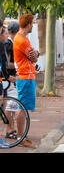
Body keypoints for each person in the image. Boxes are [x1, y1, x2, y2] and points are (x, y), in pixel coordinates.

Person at [13, 14, 39, 148]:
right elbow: (34, 57)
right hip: (26, 77)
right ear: (28, 24)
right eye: (32, 23)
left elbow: (35, 54)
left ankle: (22, 135)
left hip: (26, 77)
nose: (33, 25)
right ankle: (20, 137)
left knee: (23, 107)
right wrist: (36, 54)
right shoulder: (22, 41)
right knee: (22, 108)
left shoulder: (21, 38)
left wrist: (36, 54)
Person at [4, 22, 20, 140]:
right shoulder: (9, 44)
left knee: (12, 104)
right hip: (8, 79)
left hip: (10, 79)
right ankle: (10, 129)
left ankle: (11, 128)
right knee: (11, 103)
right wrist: (18, 66)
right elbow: (7, 64)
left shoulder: (11, 43)